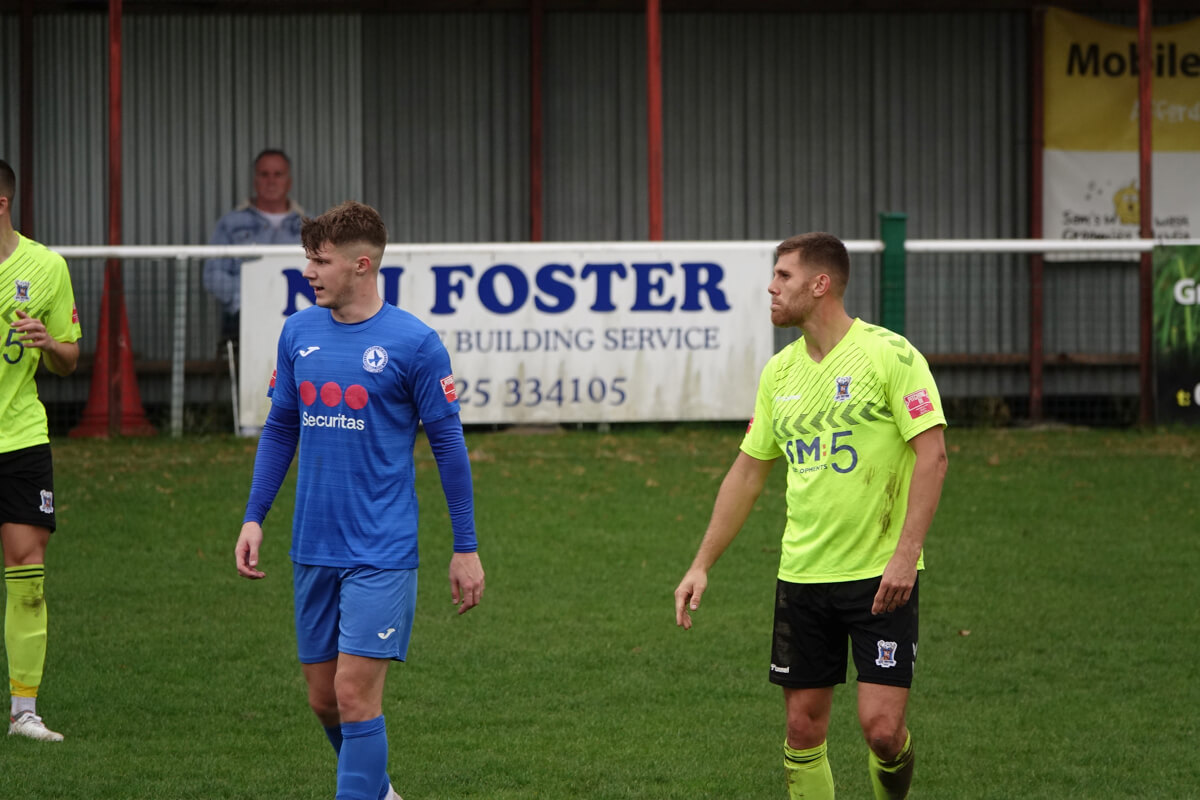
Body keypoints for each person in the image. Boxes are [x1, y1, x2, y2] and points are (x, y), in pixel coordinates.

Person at [673, 233, 948, 800]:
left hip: (880, 578)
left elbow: (933, 455)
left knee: (882, 731)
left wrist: (904, 555)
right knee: (802, 731)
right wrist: (702, 563)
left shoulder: (890, 356)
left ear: (820, 284)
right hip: (802, 577)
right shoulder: (780, 374)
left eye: (783, 277)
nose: (771, 289)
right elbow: (748, 473)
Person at [234, 201, 484, 800]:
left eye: (320, 262)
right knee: (324, 701)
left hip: (381, 549)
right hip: (313, 545)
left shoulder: (415, 345)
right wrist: (253, 516)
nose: (310, 273)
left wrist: (465, 548)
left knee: (353, 694)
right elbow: (280, 429)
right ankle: (380, 790)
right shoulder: (298, 332)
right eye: (308, 261)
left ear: (362, 265)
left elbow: (449, 448)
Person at [0, 158, 82, 743]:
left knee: (27, 575)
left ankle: (23, 711)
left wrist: (48, 342)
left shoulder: (46, 267)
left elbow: (69, 359)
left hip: (21, 438)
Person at [203, 149, 305, 341]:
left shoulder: (309, 224)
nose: (271, 181)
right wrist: (247, 299)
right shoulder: (231, 223)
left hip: (298, 315)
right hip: (245, 318)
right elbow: (213, 273)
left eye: (278, 174)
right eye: (264, 174)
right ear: (255, 180)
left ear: (289, 181)